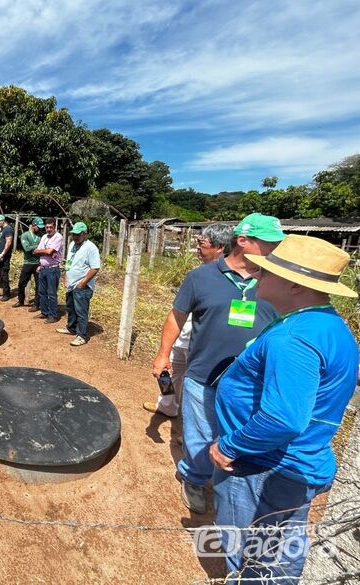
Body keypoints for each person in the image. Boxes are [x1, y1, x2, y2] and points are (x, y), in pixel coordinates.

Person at [210, 235, 357, 583]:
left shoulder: (294, 338)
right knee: (276, 548)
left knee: (257, 555)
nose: (258, 276)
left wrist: (229, 445)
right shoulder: (326, 325)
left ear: (294, 284)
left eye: (267, 272)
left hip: (264, 467)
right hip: (292, 464)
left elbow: (283, 418)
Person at [151, 213, 284, 514]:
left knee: (238, 434)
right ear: (243, 241)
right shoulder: (201, 277)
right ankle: (195, 479)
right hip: (204, 373)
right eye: (270, 243)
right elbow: (177, 316)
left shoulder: (278, 282)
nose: (275, 250)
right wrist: (163, 353)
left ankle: (232, 485)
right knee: (199, 432)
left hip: (254, 382)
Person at [143, 223, 233, 417]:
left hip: (201, 343)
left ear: (220, 247)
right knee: (167, 373)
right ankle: (167, 404)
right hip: (182, 336)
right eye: (198, 242)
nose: (198, 247)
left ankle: (188, 423)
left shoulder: (233, 280)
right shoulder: (200, 273)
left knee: (197, 387)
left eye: (203, 243)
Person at [56, 222, 100, 346]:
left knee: (81, 311)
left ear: (85, 234)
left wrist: (83, 282)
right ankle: (71, 328)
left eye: (77, 235)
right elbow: (69, 261)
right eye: (73, 235)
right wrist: (65, 275)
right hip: (71, 284)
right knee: (71, 308)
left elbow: (95, 268)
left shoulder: (91, 248)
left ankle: (81, 335)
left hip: (82, 286)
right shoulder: (72, 245)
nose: (75, 237)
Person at [34, 218, 63, 324]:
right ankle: (44, 312)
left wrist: (45, 251)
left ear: (55, 227)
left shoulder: (58, 237)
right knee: (42, 292)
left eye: (51, 227)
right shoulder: (44, 237)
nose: (49, 229)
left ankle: (53, 315)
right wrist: (45, 252)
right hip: (43, 268)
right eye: (47, 227)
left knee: (51, 293)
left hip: (52, 269)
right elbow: (37, 251)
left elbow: (50, 251)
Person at [14, 217, 43, 308]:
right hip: (28, 263)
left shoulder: (41, 236)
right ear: (33, 225)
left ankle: (36, 304)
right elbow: (26, 248)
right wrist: (38, 246)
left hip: (38, 263)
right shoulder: (25, 235)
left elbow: (43, 247)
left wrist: (35, 248)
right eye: (38, 226)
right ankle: (20, 300)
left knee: (38, 285)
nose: (40, 228)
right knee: (21, 283)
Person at [0, 214, 14, 301]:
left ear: (2, 221)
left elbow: (8, 242)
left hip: (4, 256)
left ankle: (7, 294)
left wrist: (2, 253)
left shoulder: (8, 229)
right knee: (1, 274)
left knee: (4, 274)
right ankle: (4, 290)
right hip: (0, 255)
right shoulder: (3, 230)